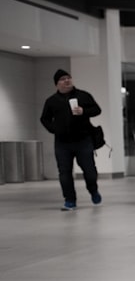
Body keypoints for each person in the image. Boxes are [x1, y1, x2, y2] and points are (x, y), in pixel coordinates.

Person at [39, 69, 102, 211]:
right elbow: (44, 119)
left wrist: (83, 111)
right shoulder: (51, 101)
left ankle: (93, 190)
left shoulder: (83, 96)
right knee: (64, 172)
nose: (66, 81)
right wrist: (54, 128)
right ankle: (70, 200)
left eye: (68, 78)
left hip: (83, 140)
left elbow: (97, 110)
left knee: (89, 170)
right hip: (62, 143)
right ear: (57, 84)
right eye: (62, 79)